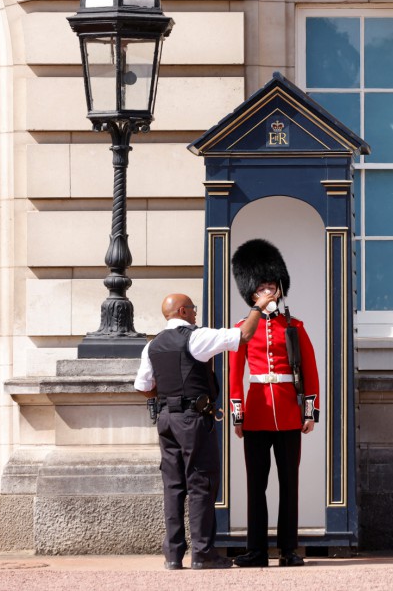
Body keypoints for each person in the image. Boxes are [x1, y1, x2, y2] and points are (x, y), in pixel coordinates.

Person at [134, 290, 276, 571]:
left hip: (166, 419)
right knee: (201, 484)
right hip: (193, 419)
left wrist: (168, 398)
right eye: (193, 309)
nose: (196, 313)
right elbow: (244, 336)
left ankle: (173, 555)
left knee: (173, 487)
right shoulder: (195, 337)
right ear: (184, 312)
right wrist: (258, 308)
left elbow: (143, 387)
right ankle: (203, 553)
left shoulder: (152, 345)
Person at [229, 239, 320, 568]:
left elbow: (310, 371)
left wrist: (309, 413)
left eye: (272, 286)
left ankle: (288, 549)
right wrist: (238, 415)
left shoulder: (295, 327)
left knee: (289, 484)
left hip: (288, 413)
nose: (268, 292)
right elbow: (235, 374)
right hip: (255, 413)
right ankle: (255, 550)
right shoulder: (242, 329)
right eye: (262, 287)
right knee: (256, 485)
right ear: (252, 293)